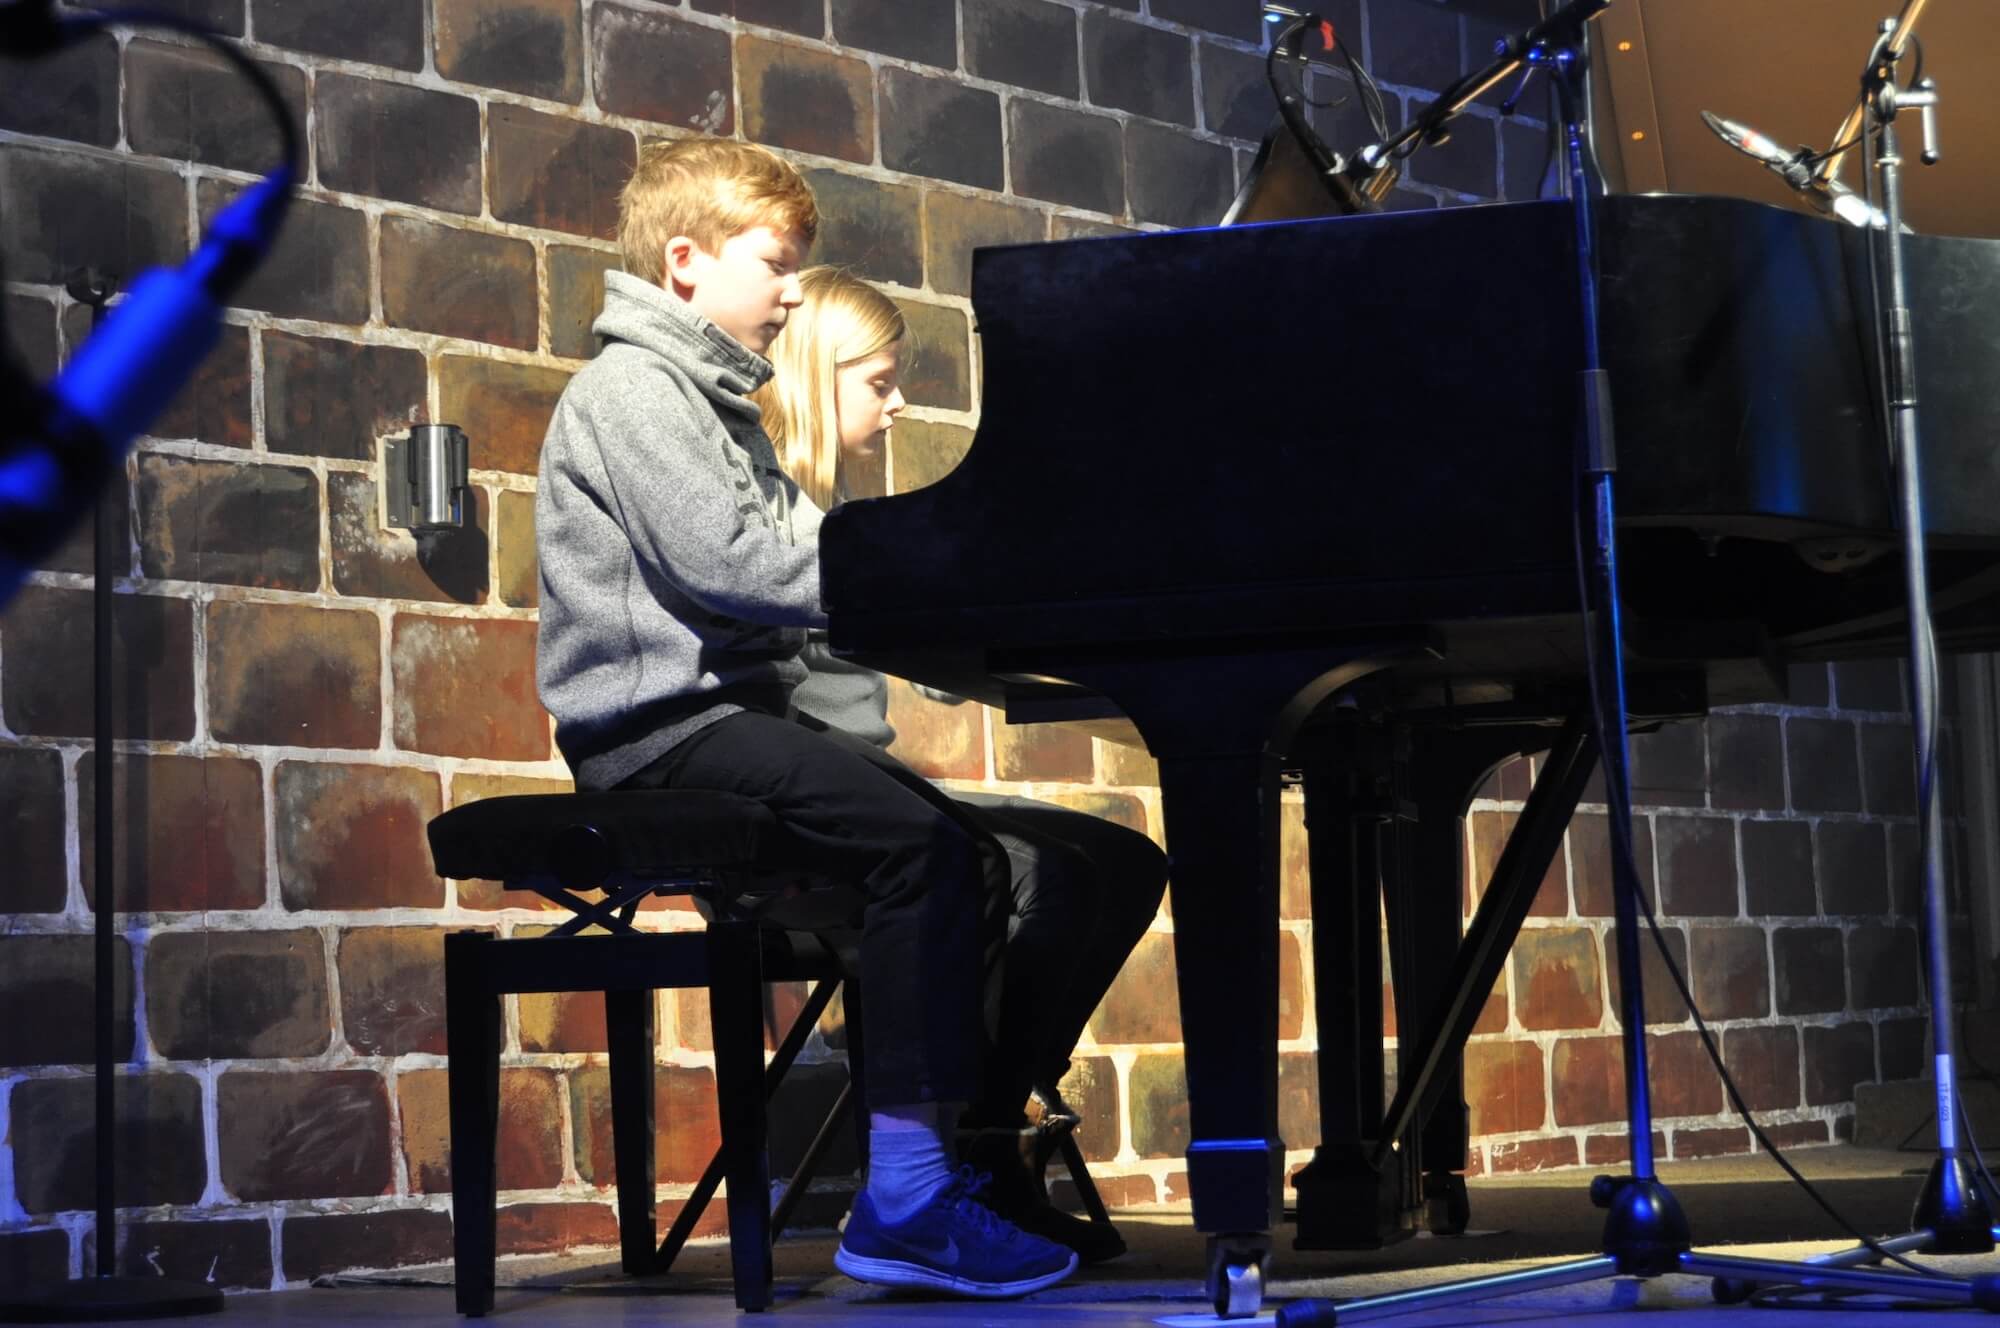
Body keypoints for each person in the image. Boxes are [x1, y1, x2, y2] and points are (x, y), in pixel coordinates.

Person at [534, 137, 1076, 1298]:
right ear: (685, 260)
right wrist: (916, 574)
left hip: (720, 719)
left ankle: (933, 1173)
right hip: (657, 732)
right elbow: (732, 563)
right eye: (775, 263)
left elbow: (784, 559)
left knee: (963, 850)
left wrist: (943, 594)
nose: (791, 291)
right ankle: (907, 1200)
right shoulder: (632, 390)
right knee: (922, 846)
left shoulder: (709, 400)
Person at [752, 266, 1170, 1264]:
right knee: (1046, 873)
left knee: (1124, 859)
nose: (897, 404)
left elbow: (912, 650)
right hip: (817, 807)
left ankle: (984, 1127)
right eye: (878, 381)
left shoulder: (835, 509)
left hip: (871, 789)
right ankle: (973, 1152)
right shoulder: (769, 516)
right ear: (814, 375)